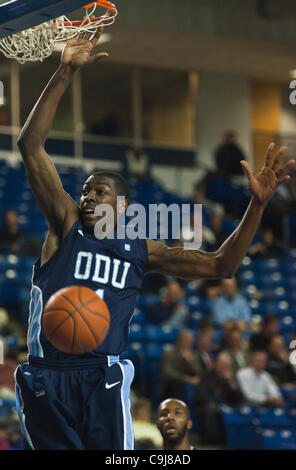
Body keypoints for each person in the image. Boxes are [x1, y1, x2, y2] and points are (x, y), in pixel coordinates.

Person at [15, 26, 295, 450]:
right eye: (86, 189)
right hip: (44, 373)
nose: (88, 196)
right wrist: (64, 73)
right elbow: (31, 146)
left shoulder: (141, 249)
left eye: (99, 191)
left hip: (101, 374)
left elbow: (223, 265)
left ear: (124, 207)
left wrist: (256, 206)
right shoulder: (65, 222)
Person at [195, 352, 244, 445]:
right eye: (223, 365)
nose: (225, 368)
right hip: (210, 404)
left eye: (227, 366)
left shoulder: (233, 378)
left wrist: (232, 384)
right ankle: (213, 440)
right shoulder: (207, 375)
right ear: (216, 364)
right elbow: (202, 395)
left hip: (228, 406)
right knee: (211, 408)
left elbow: (240, 399)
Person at [160, 330, 200, 402]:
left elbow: (198, 372)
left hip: (189, 384)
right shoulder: (169, 353)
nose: (188, 344)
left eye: (190, 341)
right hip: (170, 385)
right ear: (179, 340)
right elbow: (167, 372)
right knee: (177, 384)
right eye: (186, 341)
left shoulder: (194, 355)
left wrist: (189, 362)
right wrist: (186, 379)